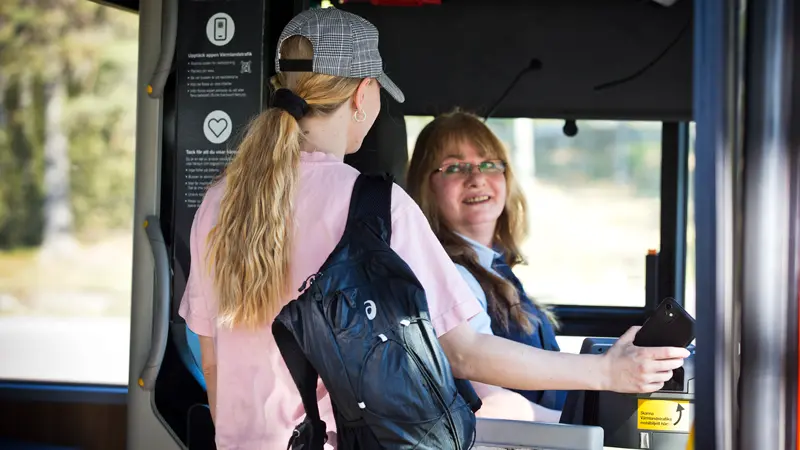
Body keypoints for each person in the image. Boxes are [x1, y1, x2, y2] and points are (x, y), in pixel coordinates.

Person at [179, 8, 690, 450]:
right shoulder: (374, 207)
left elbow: (215, 363)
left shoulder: (221, 201)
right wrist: (607, 372)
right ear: (364, 94)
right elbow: (463, 352)